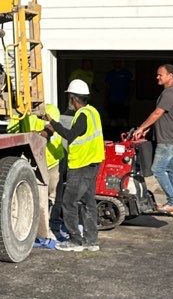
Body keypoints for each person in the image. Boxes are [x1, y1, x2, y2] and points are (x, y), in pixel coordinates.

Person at [44, 78, 105, 253]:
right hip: (92, 163)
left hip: (81, 165)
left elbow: (70, 135)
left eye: (70, 98)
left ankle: (75, 241)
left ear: (73, 98)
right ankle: (91, 241)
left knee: (69, 202)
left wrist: (53, 124)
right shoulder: (93, 112)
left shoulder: (82, 115)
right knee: (88, 201)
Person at [9, 104, 66, 247]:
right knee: (37, 197)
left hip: (53, 161)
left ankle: (53, 227)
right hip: (34, 161)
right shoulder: (21, 112)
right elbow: (12, 131)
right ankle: (40, 228)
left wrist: (38, 135)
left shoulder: (51, 109)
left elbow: (51, 128)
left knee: (53, 197)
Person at [134, 62, 173, 216]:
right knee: (172, 170)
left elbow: (157, 113)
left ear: (170, 75)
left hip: (168, 139)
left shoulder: (170, 93)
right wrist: (148, 128)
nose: (157, 77)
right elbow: (163, 116)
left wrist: (141, 127)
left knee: (158, 169)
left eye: (160, 74)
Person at [103, 57, 133, 134]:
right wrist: (106, 100)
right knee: (112, 119)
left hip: (123, 101)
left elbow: (131, 87)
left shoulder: (127, 73)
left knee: (123, 119)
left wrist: (128, 100)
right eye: (115, 61)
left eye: (119, 61)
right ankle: (113, 136)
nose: (117, 63)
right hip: (112, 101)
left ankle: (125, 136)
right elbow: (107, 88)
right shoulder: (110, 74)